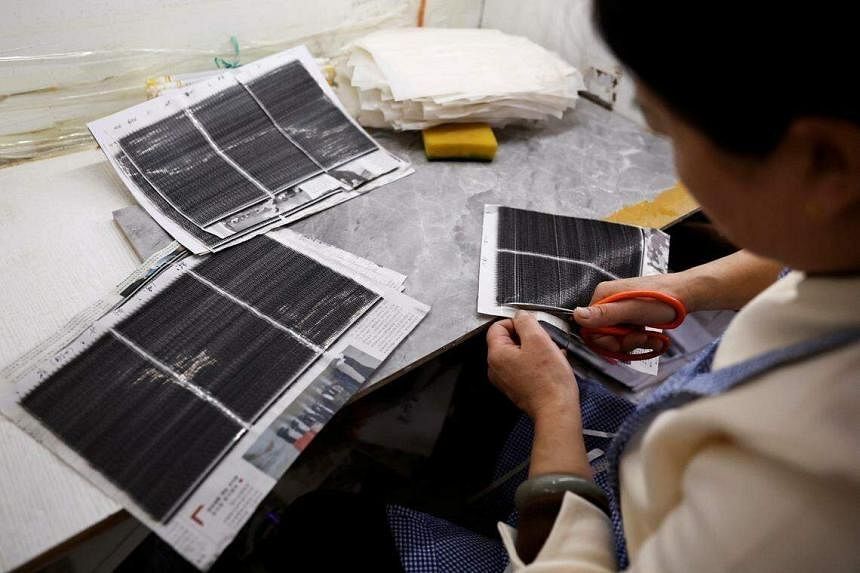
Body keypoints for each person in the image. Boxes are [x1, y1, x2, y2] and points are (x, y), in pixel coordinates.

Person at [482, 1, 860, 570]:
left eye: (667, 132)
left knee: (333, 525)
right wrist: (686, 288)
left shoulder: (800, 484)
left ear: (824, 163)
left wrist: (553, 409)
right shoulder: (840, 219)